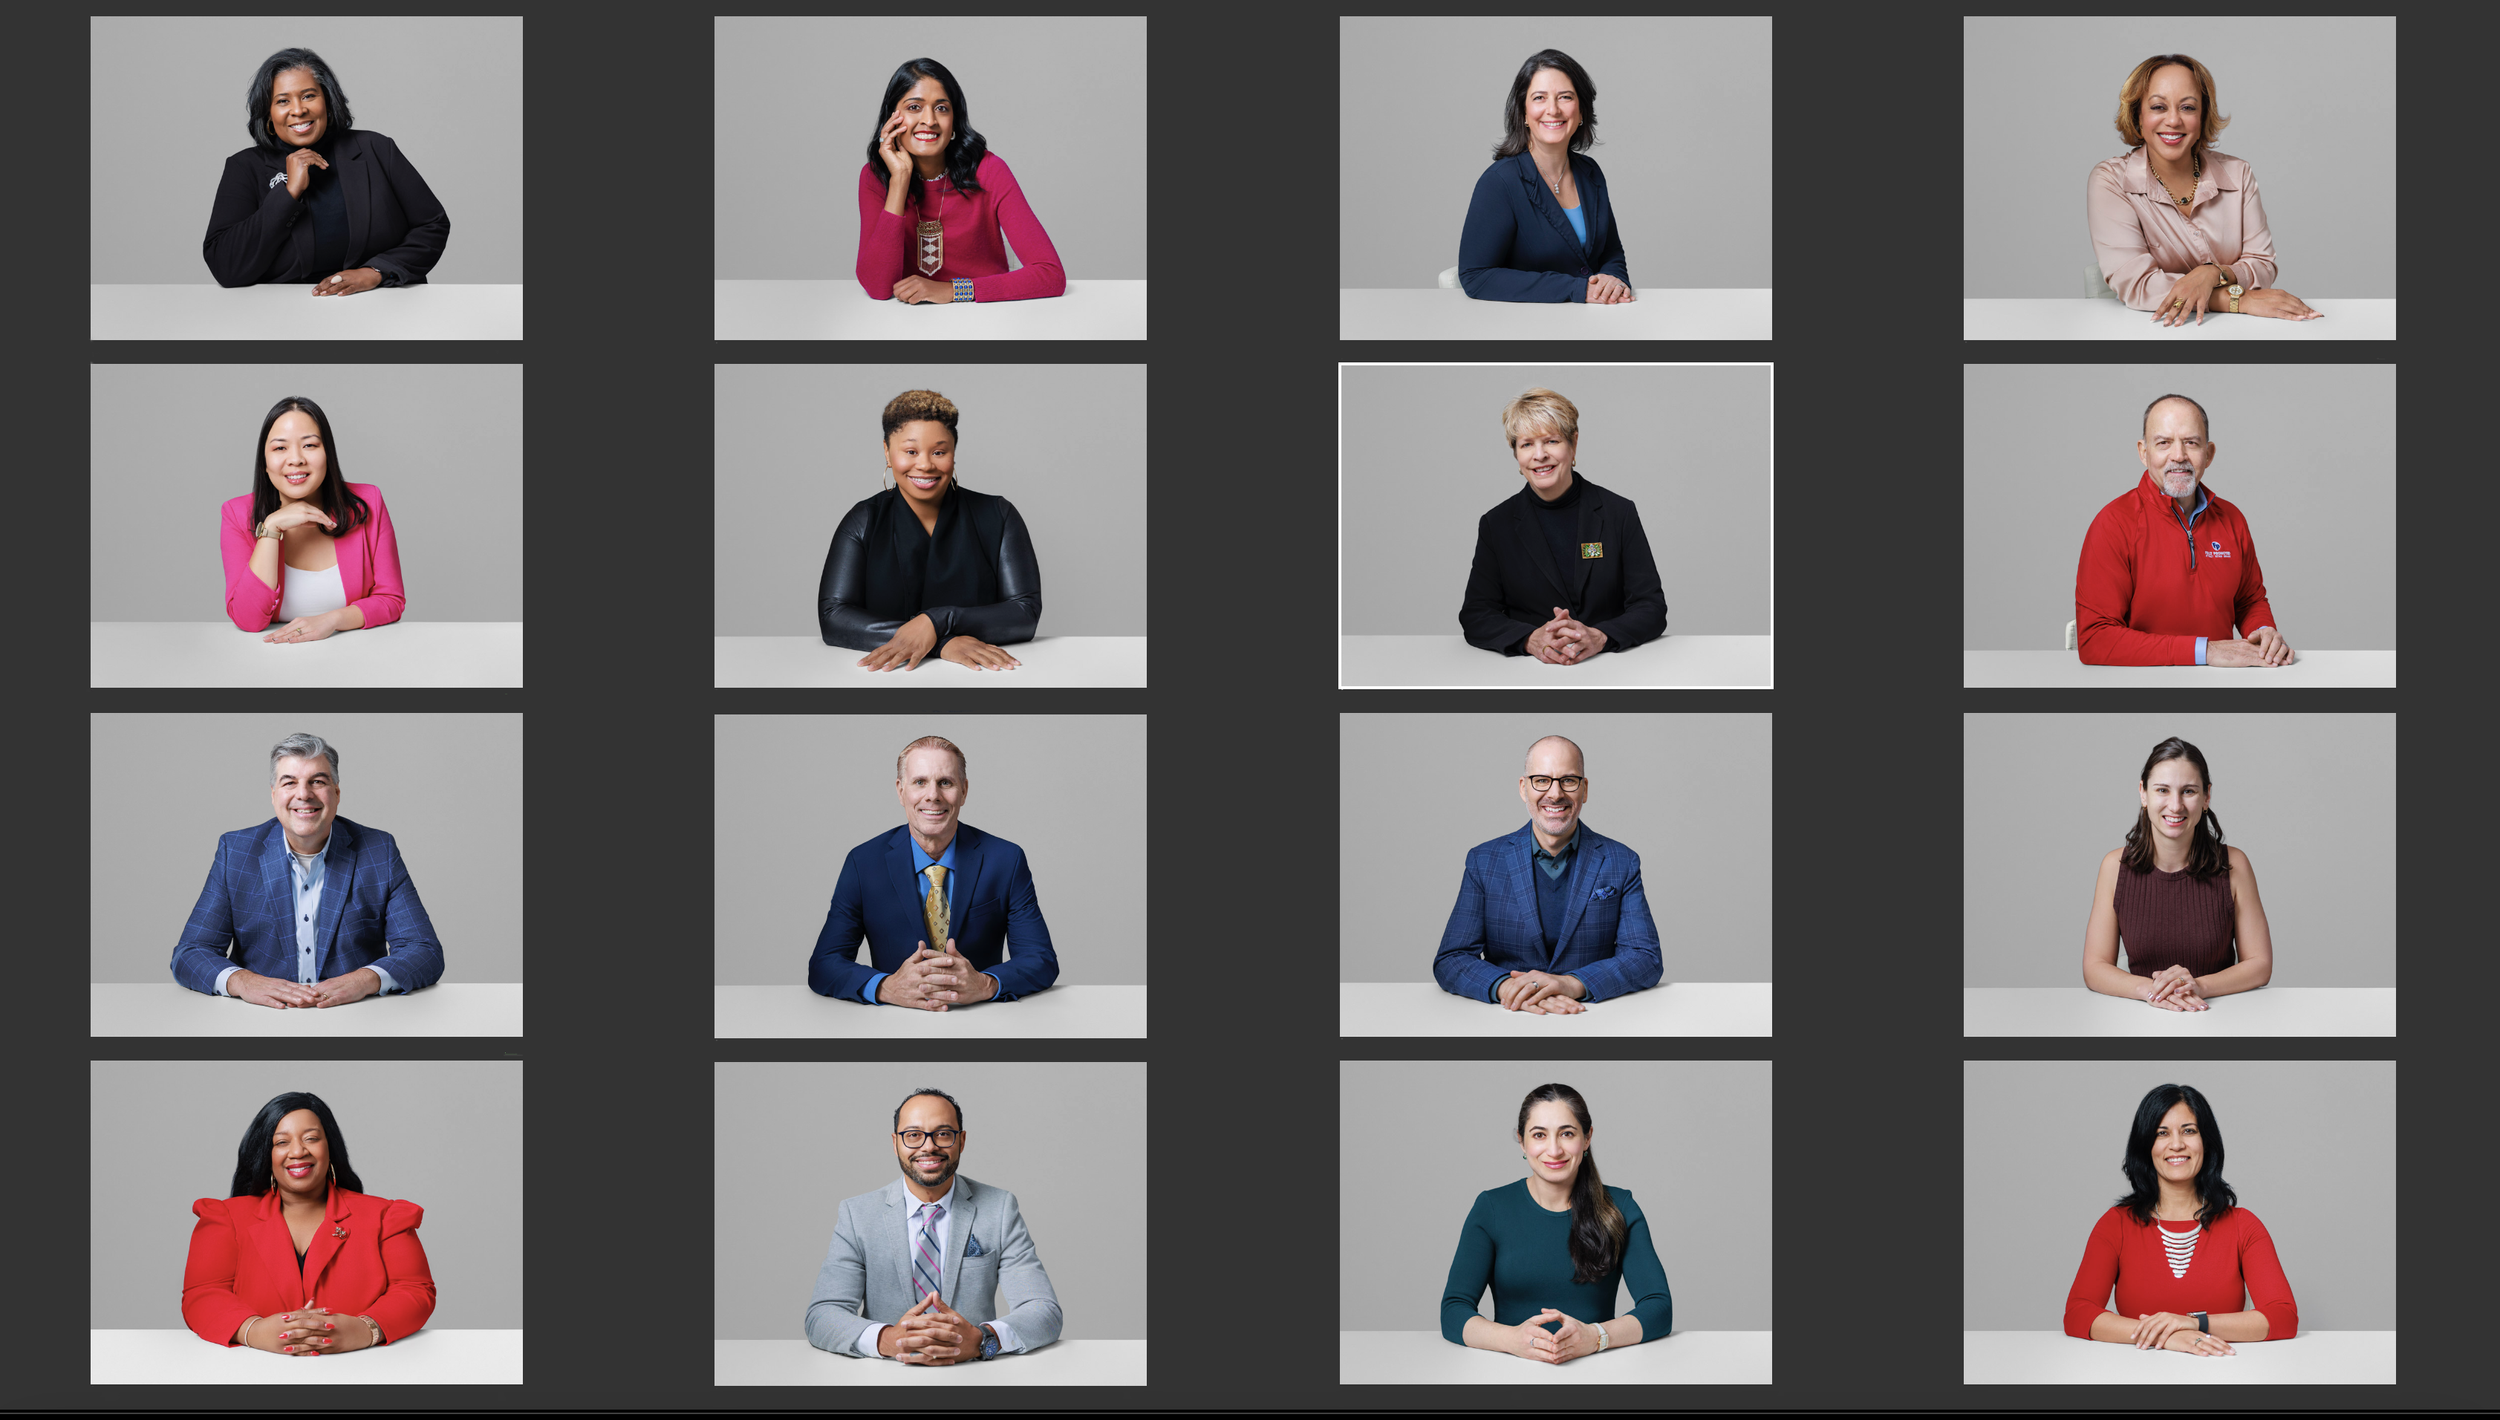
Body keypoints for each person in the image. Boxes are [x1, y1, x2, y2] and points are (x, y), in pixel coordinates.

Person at [169, 733, 445, 1006]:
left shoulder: (378, 850)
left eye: (318, 781)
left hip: (356, 1016)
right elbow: (191, 953)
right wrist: (243, 982)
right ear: (274, 794)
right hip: (261, 1020)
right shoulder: (237, 852)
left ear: (336, 793)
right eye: (290, 782)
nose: (304, 794)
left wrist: (365, 980)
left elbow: (424, 951)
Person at [805, 1088, 1064, 1363]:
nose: (928, 1146)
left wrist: (983, 1340)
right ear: (895, 1143)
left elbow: (1045, 1312)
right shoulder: (858, 1215)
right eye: (913, 1135)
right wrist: (886, 1340)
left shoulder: (999, 1209)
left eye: (942, 1133)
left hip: (974, 1376)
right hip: (884, 1378)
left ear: (961, 1141)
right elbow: (822, 1315)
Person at [808, 736, 1059, 1007]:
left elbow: (1040, 958)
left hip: (982, 1019)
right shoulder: (863, 863)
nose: (933, 796)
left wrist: (985, 984)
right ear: (900, 790)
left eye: (945, 783)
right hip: (891, 1023)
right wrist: (885, 987)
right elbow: (824, 964)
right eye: (919, 782)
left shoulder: (1006, 860)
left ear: (963, 790)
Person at [181, 1091, 437, 1354]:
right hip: (254, 1374)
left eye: (311, 1138)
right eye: (281, 1142)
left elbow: (414, 1290)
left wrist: (365, 1329)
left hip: (361, 1372)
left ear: (330, 1146)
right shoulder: (226, 1218)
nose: (297, 1151)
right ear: (265, 1153)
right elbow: (203, 1294)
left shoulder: (385, 1216)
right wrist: (252, 1331)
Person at [1441, 1083, 1671, 1361]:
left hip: (1598, 1373)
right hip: (1508, 1374)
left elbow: (1659, 1307)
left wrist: (1595, 1337)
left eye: (1567, 1134)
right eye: (1539, 1135)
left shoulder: (1620, 1207)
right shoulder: (1491, 1207)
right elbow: (1454, 1310)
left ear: (1586, 1139)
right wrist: (1511, 1339)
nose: (1554, 1149)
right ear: (1522, 1141)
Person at [2086, 54, 2319, 325]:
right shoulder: (2111, 181)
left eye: (2187, 108)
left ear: (2202, 117)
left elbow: (2263, 264)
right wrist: (2238, 300)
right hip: (2148, 331)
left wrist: (2212, 274)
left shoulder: (2238, 174)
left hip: (2237, 331)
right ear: (2138, 117)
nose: (2173, 121)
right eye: (2159, 107)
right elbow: (2138, 284)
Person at [2063, 1083, 2298, 1352]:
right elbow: (2078, 1313)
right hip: (2135, 1376)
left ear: (2206, 1142)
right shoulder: (2116, 1224)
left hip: (2222, 1374)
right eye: (2162, 1133)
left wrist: (2193, 1324)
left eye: (2189, 1131)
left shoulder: (2243, 1226)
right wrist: (2169, 1337)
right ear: (2146, 1146)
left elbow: (2283, 1317)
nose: (2176, 1144)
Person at [817, 389, 1040, 672]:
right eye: (910, 451)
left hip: (983, 680)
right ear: (887, 451)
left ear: (954, 453)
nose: (924, 464)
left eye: (938, 452)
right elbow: (833, 617)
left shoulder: (998, 515)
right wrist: (940, 643)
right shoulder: (863, 520)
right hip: (884, 681)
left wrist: (937, 621)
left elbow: (1025, 612)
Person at [1433, 736, 1662, 1010]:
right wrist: (1509, 988)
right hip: (1506, 1020)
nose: (1555, 794)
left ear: (1584, 789)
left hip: (1594, 1018)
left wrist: (1573, 983)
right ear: (1523, 788)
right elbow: (1451, 958)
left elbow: (1645, 957)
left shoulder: (1621, 861)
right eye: (1541, 780)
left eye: (1568, 780)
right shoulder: (1484, 861)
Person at [203, 47, 449, 292]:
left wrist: (376, 272)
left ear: (328, 102)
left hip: (381, 302)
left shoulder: (376, 148)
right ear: (268, 114)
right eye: (282, 101)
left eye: (309, 96)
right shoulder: (245, 167)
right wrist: (288, 194)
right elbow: (226, 266)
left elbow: (432, 225)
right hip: (284, 312)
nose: (298, 110)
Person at [2075, 394, 2291, 667]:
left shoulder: (2232, 519)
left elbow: (2249, 600)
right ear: (2144, 452)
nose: (2178, 456)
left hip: (2220, 687)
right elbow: (2095, 640)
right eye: (2163, 443)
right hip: (2138, 689)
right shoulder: (2113, 524)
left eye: (2191, 442)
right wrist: (2205, 651)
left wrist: (2263, 632)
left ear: (2209, 454)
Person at [1459, 388, 1666, 661]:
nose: (1540, 455)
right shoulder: (1495, 524)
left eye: (1552, 441)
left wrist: (1599, 637)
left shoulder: (1619, 512)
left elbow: (1651, 606)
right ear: (1516, 455)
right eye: (1526, 444)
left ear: (1574, 444)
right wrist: (1530, 640)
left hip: (1611, 668)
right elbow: (1476, 614)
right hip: (1527, 675)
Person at [2082, 738, 2274, 1011]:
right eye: (2162, 790)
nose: (2175, 805)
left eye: (2188, 791)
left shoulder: (2234, 865)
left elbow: (2260, 964)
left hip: (2221, 1018)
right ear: (2143, 793)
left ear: (2206, 796)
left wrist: (2198, 986)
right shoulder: (2114, 867)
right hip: (2136, 1021)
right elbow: (2094, 966)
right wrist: (2152, 991)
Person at [854, 58, 1065, 304]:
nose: (929, 120)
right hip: (908, 324)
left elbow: (1051, 275)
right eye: (914, 107)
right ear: (892, 116)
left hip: (987, 318)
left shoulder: (989, 171)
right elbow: (877, 287)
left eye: (941, 108)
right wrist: (900, 179)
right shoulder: (875, 177)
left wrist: (953, 291)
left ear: (954, 120)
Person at [221, 396, 406, 641]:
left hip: (356, 657)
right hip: (269, 663)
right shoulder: (237, 514)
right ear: (265, 463)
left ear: (327, 454)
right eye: (280, 448)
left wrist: (333, 620)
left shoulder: (367, 502)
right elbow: (248, 620)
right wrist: (271, 528)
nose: (296, 459)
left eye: (309, 445)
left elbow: (391, 600)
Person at [1457, 50, 1632, 304]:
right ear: (1524, 113)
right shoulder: (1499, 182)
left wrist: (1613, 282)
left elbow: (1611, 252)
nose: (1553, 109)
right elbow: (1476, 276)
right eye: (1539, 98)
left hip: (1591, 321)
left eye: (1565, 97)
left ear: (1581, 111)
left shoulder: (1590, 172)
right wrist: (1577, 289)